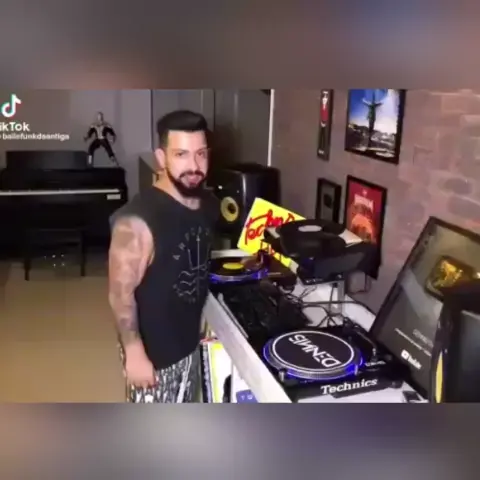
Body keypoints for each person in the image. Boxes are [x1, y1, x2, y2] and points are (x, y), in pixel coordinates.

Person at [108, 110, 217, 403]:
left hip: (189, 344)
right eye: (181, 154)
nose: (193, 166)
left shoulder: (206, 204)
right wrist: (133, 352)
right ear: (161, 157)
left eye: (201, 154)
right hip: (154, 357)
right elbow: (120, 294)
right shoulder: (136, 222)